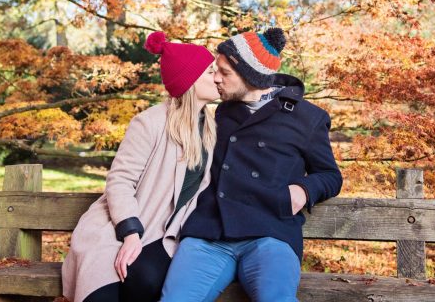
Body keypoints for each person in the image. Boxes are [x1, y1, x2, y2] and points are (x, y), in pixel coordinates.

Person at [160, 27, 343, 302]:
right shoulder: (220, 113)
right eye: (215, 69)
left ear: (250, 76)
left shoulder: (308, 118)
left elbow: (330, 175)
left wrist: (303, 190)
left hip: (270, 234)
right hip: (210, 233)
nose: (215, 79)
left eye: (224, 72)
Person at [62, 31, 220, 302]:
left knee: (146, 280)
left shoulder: (213, 127)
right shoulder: (150, 122)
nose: (217, 77)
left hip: (168, 230)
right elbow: (120, 181)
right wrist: (131, 234)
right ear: (191, 81)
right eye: (209, 71)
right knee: (104, 285)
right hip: (122, 224)